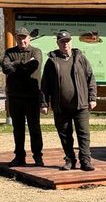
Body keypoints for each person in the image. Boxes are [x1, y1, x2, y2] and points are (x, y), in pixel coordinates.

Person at [40, 30, 97, 171]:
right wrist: (44, 103)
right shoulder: (52, 61)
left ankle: (85, 161)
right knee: (65, 135)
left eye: (67, 41)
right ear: (58, 43)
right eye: (62, 41)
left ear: (71, 42)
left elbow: (91, 78)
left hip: (81, 104)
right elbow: (45, 84)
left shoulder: (80, 58)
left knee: (83, 134)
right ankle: (70, 160)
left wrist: (92, 97)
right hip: (61, 106)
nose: (65, 44)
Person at [1, 27, 44, 167]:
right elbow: (5, 68)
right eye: (19, 38)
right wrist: (21, 65)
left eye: (24, 37)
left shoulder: (36, 51)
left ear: (29, 38)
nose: (22, 40)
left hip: (32, 97)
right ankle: (19, 156)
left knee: (34, 128)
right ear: (16, 38)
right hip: (15, 97)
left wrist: (15, 66)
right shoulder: (9, 52)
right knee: (18, 128)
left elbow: (33, 67)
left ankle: (38, 156)